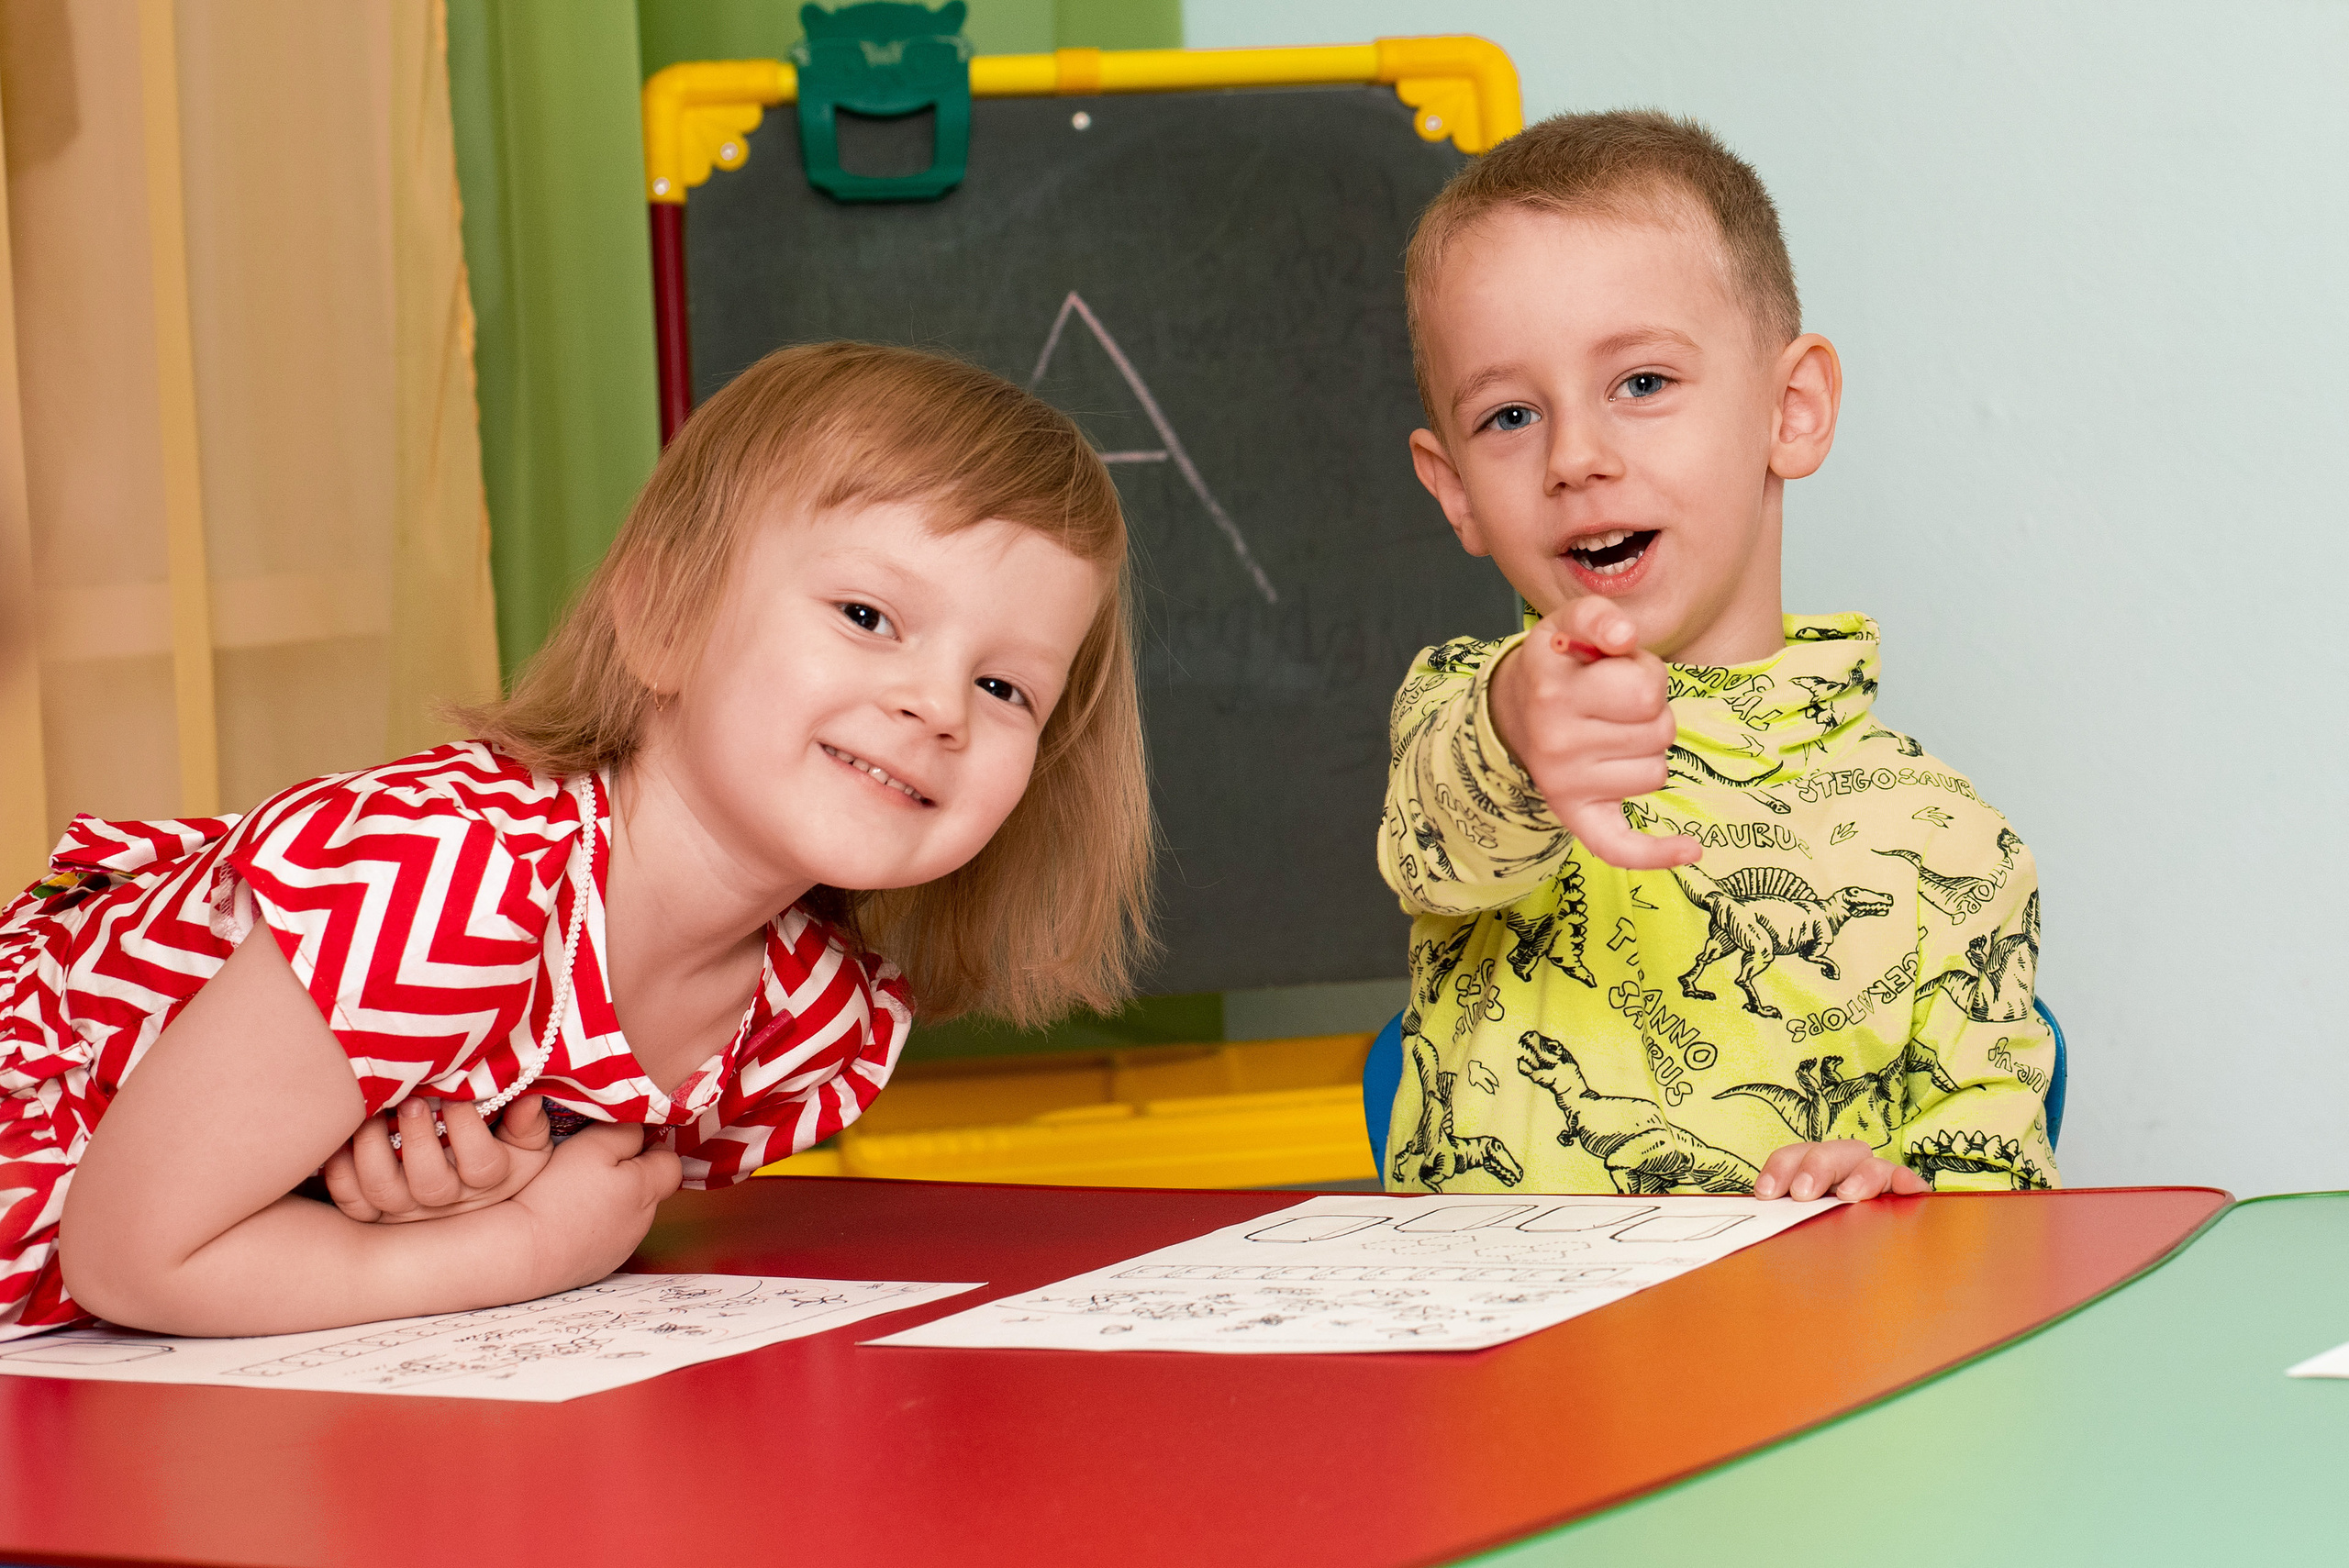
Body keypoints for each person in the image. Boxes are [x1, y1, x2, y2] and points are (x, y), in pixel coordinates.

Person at [0, 342, 1152, 1339]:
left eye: (1005, 685)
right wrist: (522, 1248)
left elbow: (306, 1225)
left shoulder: (806, 1030)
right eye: (867, 616)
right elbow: (129, 1253)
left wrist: (438, 1202)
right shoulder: (452, 880)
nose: (939, 705)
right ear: (662, 614)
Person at [1379, 111, 2054, 1202]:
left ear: (1789, 411)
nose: (1577, 457)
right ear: (1453, 486)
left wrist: (1899, 1197)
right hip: (1497, 1366)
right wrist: (1519, 723)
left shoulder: (1955, 843)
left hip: (1809, 1365)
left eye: (1641, 383)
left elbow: (2001, 1197)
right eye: (1508, 414)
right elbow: (1442, 834)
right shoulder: (1469, 714)